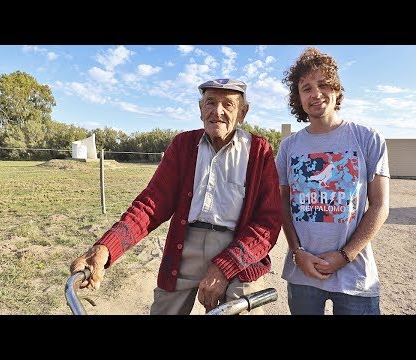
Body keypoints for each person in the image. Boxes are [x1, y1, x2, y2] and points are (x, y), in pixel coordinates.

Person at [70, 78, 282, 315]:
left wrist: (224, 268)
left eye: (228, 105)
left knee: (241, 310)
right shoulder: (183, 145)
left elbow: (268, 222)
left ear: (243, 112)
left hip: (237, 252)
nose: (217, 111)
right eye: (210, 102)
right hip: (184, 248)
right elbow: (150, 205)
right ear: (200, 109)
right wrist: (106, 248)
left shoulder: (258, 150)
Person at [275, 47, 390, 315]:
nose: (316, 94)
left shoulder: (368, 139)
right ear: (298, 98)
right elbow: (283, 205)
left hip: (355, 277)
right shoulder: (288, 147)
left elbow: (380, 206)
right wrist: (297, 252)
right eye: (306, 88)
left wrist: (345, 255)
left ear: (336, 89)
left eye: (323, 84)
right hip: (303, 273)